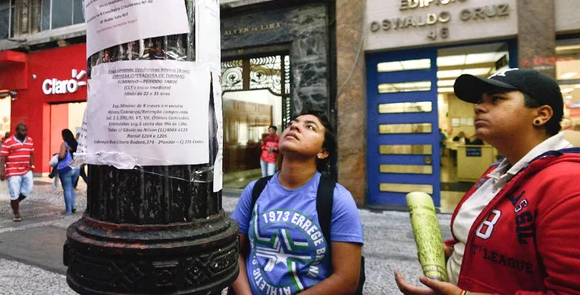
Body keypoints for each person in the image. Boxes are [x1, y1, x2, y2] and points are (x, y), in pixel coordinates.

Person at [395, 69, 580, 295]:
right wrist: (454, 252)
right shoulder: (498, 171)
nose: (479, 107)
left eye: (496, 99)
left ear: (541, 114)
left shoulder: (569, 185)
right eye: (481, 101)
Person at [230, 111, 364, 295]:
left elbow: (347, 279)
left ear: (323, 152)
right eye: (292, 123)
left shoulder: (338, 199)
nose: (294, 126)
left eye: (309, 127)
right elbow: (232, 252)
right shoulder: (255, 190)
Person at [0, 124, 35, 221]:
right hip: (13, 171)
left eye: (26, 130)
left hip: (26, 169)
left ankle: (15, 202)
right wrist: (2, 171)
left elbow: (31, 153)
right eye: (22, 131)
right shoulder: (8, 142)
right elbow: (3, 157)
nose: (25, 132)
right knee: (14, 191)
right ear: (17, 131)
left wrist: (32, 165)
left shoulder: (30, 140)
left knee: (28, 189)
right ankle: (16, 212)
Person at [57, 128, 80, 215]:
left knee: (67, 189)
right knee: (71, 188)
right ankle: (73, 206)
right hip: (76, 168)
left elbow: (62, 156)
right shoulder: (76, 144)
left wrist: (57, 156)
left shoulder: (64, 144)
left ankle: (68, 210)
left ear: (64, 136)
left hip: (67, 169)